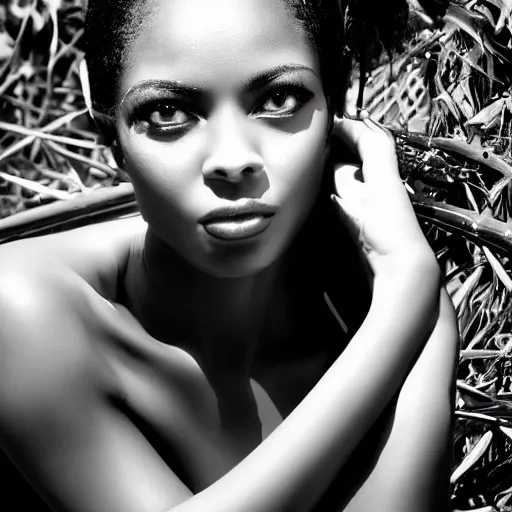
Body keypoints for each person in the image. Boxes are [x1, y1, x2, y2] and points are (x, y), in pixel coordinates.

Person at [0, 0, 459, 511]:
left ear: (336, 102)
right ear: (110, 133)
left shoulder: (363, 300)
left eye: (280, 98)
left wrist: (422, 305)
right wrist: (408, 306)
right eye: (167, 112)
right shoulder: (24, 308)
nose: (233, 159)